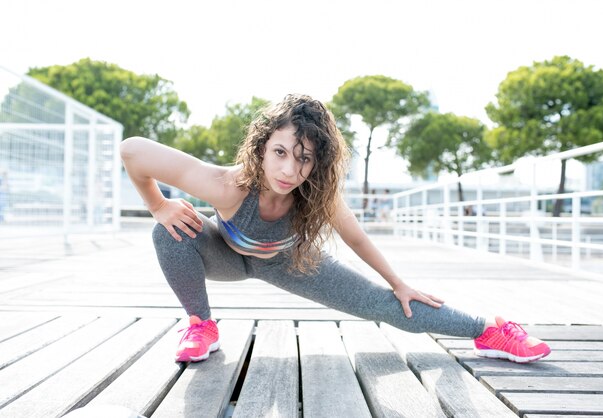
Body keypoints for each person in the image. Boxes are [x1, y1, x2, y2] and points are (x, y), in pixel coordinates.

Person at [120, 94, 550, 364]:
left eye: (304, 158)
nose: (290, 169)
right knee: (168, 231)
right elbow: (133, 150)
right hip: (225, 254)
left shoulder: (317, 195)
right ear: (261, 148)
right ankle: (200, 324)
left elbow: (357, 237)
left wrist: (399, 283)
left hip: (286, 262)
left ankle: (489, 328)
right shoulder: (225, 185)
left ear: (318, 162)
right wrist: (158, 205)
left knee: (386, 306)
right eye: (281, 152)